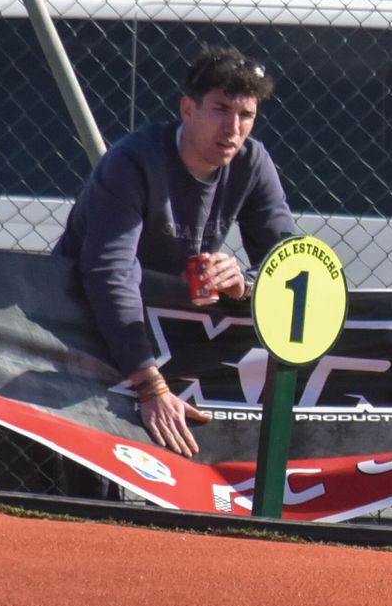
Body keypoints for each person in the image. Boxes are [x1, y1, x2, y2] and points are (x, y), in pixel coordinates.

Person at [54, 46, 295, 457]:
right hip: (81, 327)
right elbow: (110, 272)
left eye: (246, 115)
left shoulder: (252, 162)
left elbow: (289, 259)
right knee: (81, 481)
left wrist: (247, 284)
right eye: (220, 109)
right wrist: (150, 385)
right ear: (188, 109)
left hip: (164, 341)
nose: (233, 129)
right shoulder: (132, 161)